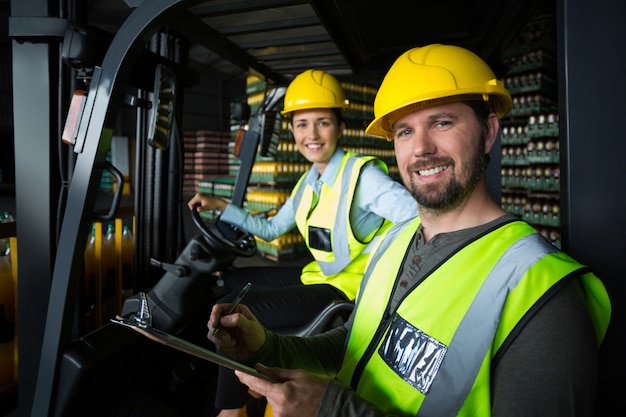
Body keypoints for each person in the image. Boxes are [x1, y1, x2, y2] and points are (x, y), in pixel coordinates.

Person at [205, 44, 612, 417]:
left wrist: (332, 409)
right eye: (404, 131)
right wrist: (270, 346)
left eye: (442, 122)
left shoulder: (542, 294)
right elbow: (357, 345)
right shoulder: (396, 242)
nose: (420, 148)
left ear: (489, 132)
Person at [188, 69, 419, 417]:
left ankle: (232, 410)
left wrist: (381, 266)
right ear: (292, 131)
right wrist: (223, 207)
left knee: (231, 308)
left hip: (350, 293)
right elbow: (270, 230)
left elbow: (419, 219)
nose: (311, 134)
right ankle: (240, 380)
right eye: (301, 124)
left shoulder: (362, 176)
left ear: (340, 128)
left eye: (323, 122)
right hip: (320, 276)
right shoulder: (308, 183)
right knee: (223, 281)